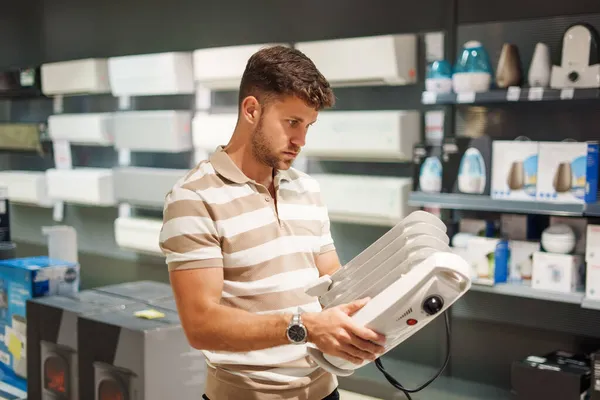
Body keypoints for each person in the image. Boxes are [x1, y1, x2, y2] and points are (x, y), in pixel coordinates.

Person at [159, 45, 386, 400]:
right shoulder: (193, 197)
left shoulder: (306, 189)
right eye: (292, 122)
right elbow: (201, 325)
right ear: (251, 109)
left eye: (308, 125)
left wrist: (386, 304)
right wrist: (305, 326)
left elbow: (333, 283)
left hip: (326, 392)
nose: (301, 141)